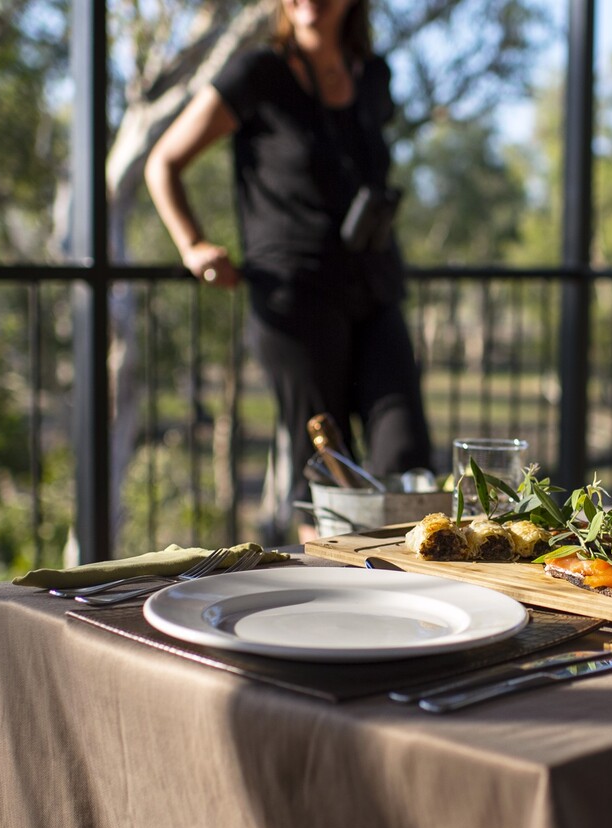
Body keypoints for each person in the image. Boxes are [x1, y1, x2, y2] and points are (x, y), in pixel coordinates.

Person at [146, 0, 433, 541]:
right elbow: (163, 162)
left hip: (374, 289)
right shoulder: (260, 74)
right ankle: (333, 611)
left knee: (407, 458)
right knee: (327, 472)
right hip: (296, 298)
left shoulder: (374, 75)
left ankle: (413, 607)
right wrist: (193, 244)